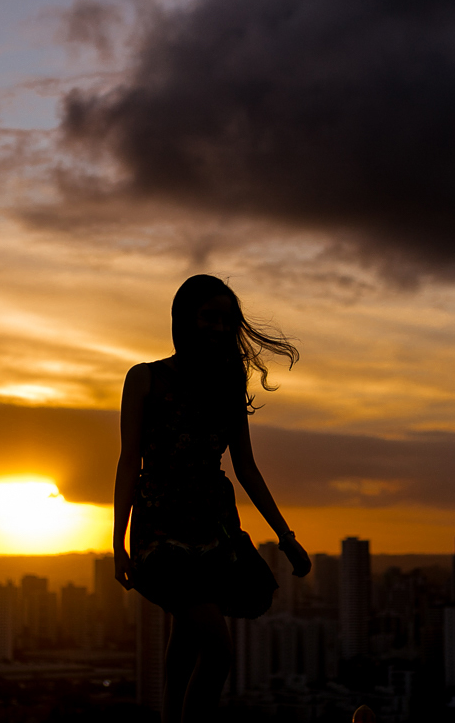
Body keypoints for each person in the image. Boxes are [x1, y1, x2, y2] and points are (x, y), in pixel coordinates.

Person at [113, 274, 312, 723]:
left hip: (213, 527)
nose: (220, 329)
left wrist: (286, 537)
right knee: (218, 651)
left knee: (183, 646)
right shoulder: (145, 379)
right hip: (160, 527)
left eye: (228, 321)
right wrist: (117, 542)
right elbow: (129, 463)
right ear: (184, 319)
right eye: (210, 317)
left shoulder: (227, 383)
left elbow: (246, 468)